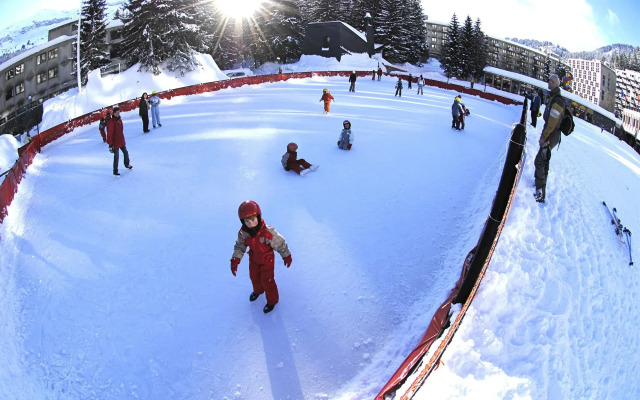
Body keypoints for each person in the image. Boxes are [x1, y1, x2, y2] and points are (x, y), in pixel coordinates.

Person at [231, 200, 292, 314]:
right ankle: (258, 291)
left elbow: (280, 243)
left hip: (267, 259)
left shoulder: (267, 232)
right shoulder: (243, 233)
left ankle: (272, 301)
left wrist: (286, 255)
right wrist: (236, 259)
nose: (250, 223)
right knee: (254, 276)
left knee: (267, 280)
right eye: (247, 221)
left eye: (253, 219)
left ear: (258, 217)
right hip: (253, 258)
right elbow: (240, 246)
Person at [534, 74, 566, 203]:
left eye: (549, 82)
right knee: (544, 160)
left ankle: (540, 192)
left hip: (551, 135)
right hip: (551, 134)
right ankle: (541, 187)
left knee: (539, 161)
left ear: (554, 83)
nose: (548, 83)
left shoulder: (557, 100)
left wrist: (544, 137)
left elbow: (552, 122)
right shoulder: (553, 97)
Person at [106, 106, 133, 176]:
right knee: (116, 156)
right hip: (115, 142)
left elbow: (121, 131)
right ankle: (115, 171)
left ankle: (127, 164)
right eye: (117, 113)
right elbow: (109, 134)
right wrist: (110, 144)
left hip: (121, 140)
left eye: (119, 112)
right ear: (114, 113)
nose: (118, 114)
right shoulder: (111, 122)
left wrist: (122, 138)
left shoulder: (119, 120)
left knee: (125, 152)